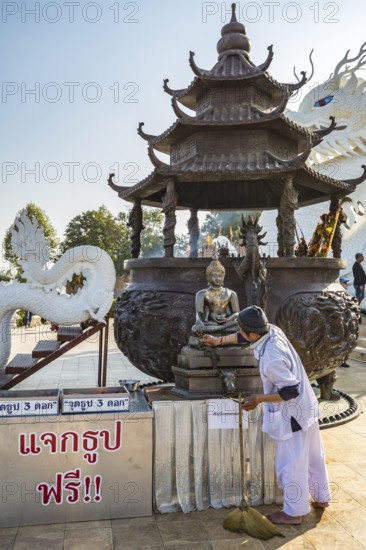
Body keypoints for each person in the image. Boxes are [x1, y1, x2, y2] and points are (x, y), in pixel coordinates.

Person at [201, 306, 330, 525]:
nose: (240, 333)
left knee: (290, 464)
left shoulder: (272, 357)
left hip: (293, 415)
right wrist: (219, 340)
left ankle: (294, 512)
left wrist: (258, 399)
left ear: (252, 334)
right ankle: (321, 497)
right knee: (314, 455)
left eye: (241, 330)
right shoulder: (271, 329)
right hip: (307, 407)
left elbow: (290, 391)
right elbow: (244, 337)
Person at [191, 257, 239, 337]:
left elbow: (237, 313)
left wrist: (228, 319)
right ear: (209, 277)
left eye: (220, 276)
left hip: (227, 323)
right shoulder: (202, 294)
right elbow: (198, 313)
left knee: (240, 327)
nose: (218, 278)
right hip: (210, 323)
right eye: (214, 276)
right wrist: (198, 321)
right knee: (195, 329)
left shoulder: (231, 293)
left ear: (223, 276)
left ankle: (219, 331)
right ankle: (223, 334)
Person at [339, 277, 351, 367]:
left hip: (347, 322)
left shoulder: (346, 294)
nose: (346, 284)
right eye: (345, 283)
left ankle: (343, 360)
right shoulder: (338, 294)